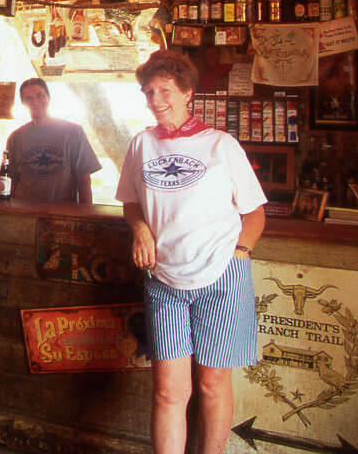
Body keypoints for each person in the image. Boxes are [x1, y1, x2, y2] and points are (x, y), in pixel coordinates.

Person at [116, 50, 266, 454]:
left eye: (165, 90)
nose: (156, 99)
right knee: (168, 391)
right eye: (148, 92)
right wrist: (140, 228)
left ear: (187, 92)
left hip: (220, 278)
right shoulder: (141, 144)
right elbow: (130, 202)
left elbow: (254, 214)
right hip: (164, 279)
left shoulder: (221, 144)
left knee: (212, 385)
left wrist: (240, 252)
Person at [6, 78, 101, 203]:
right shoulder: (16, 138)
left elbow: (84, 180)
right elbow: (11, 181)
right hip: (26, 213)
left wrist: (86, 216)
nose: (35, 101)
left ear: (48, 98)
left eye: (40, 96)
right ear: (23, 103)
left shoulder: (73, 132)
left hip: (63, 213)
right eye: (28, 98)